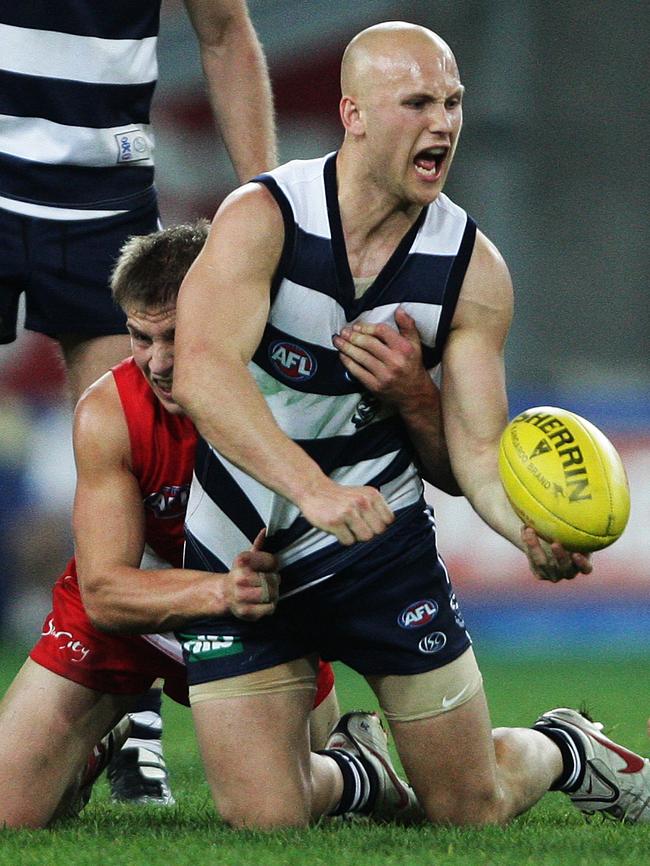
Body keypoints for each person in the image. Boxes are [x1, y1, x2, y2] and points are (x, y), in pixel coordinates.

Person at [171, 21, 650, 829]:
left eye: (454, 103)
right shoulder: (264, 215)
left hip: (378, 545)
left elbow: (476, 453)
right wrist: (312, 489)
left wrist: (523, 529)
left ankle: (566, 748)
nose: (445, 123)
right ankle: (359, 772)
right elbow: (203, 373)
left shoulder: (473, 269)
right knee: (267, 819)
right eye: (418, 103)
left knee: (470, 809)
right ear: (354, 113)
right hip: (241, 548)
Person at [0, 0, 276, 803]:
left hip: (100, 197)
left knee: (150, 453)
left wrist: (270, 208)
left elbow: (223, 29)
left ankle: (135, 725)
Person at [0, 222, 343, 829]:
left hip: (255, 620)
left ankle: (358, 766)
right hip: (149, 606)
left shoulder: (291, 393)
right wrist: (219, 590)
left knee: (286, 809)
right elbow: (104, 591)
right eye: (140, 336)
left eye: (176, 337)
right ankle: (102, 737)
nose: (158, 364)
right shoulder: (109, 411)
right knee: (7, 811)